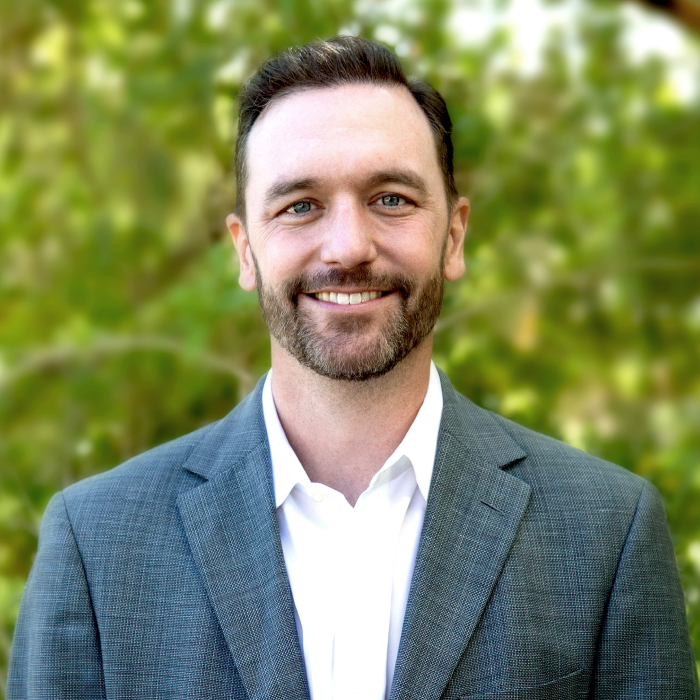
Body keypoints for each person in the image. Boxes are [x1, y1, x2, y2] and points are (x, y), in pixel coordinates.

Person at [8, 36, 698, 700]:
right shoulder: (97, 545)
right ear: (244, 250)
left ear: (453, 235)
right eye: (300, 206)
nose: (348, 247)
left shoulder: (606, 532)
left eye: (391, 199)